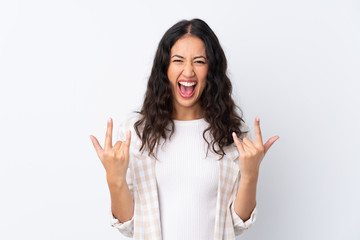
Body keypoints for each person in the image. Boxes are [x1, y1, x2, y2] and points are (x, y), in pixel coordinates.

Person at [90, 18, 279, 240]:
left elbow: (238, 224)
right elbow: (129, 226)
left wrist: (251, 174)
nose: (188, 72)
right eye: (178, 60)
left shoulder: (233, 134)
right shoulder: (136, 133)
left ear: (211, 70)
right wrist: (115, 178)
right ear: (165, 68)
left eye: (199, 61)